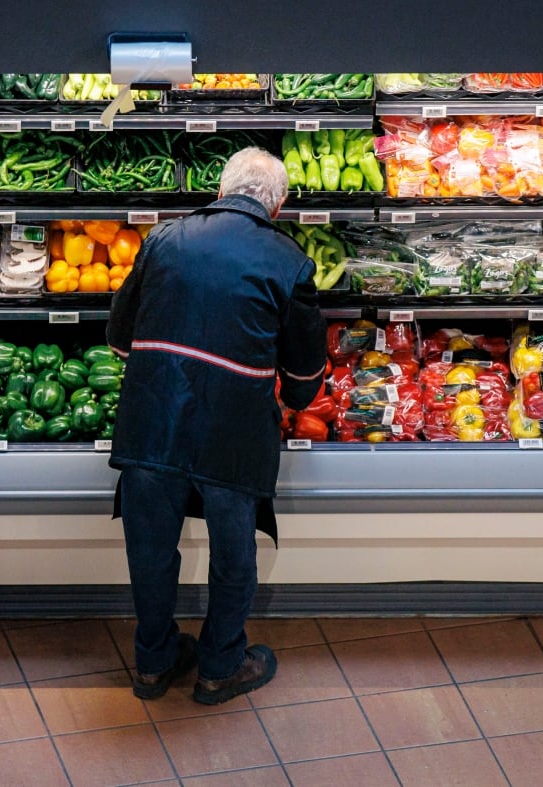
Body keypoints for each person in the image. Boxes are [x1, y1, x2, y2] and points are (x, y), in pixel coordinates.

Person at [106, 147, 327, 705]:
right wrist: (295, 396)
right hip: (232, 432)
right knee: (233, 556)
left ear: (221, 189)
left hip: (152, 420)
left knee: (151, 551)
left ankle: (153, 664)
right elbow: (304, 376)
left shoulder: (163, 239)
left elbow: (118, 336)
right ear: (276, 206)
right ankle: (219, 667)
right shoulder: (290, 261)